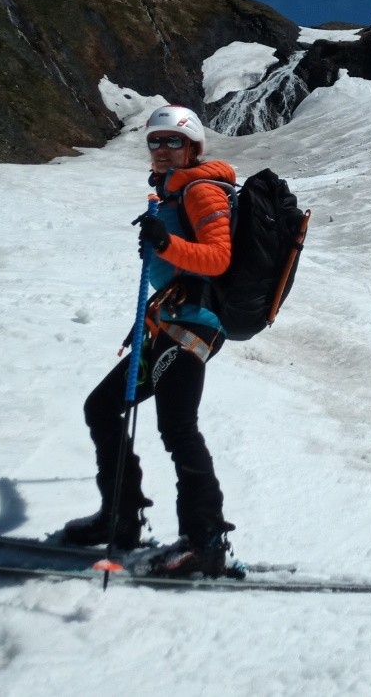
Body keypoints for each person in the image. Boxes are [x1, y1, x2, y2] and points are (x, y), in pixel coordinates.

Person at [59, 105, 239, 577]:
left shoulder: (200, 190)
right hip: (169, 322)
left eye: (172, 141)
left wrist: (163, 244)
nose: (161, 149)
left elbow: (219, 258)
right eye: (154, 141)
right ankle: (121, 516)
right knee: (102, 407)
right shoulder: (169, 194)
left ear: (194, 147)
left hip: (195, 325)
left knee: (178, 428)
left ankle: (206, 541)